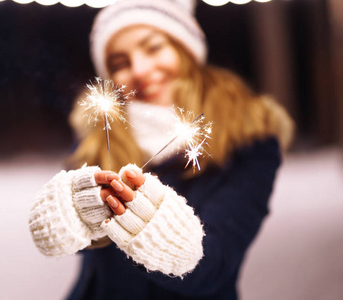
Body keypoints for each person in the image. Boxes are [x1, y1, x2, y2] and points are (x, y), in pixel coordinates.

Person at [29, 0, 294, 299]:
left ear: (185, 48)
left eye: (153, 47)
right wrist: (70, 213)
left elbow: (216, 265)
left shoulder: (249, 140)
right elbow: (77, 242)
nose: (140, 70)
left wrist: (160, 235)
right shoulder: (99, 135)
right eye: (119, 63)